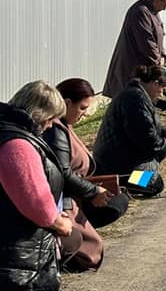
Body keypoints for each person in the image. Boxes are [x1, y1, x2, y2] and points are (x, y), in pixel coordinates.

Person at [0, 81, 72, 291]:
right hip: (16, 250)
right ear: (38, 114)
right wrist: (59, 223)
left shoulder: (6, 130)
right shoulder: (18, 145)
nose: (51, 125)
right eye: (51, 118)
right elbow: (35, 201)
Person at [43, 78, 126, 272]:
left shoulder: (64, 125)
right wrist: (92, 192)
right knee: (90, 252)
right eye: (82, 108)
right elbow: (63, 173)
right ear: (66, 102)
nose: (85, 114)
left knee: (119, 199)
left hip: (78, 190)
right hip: (67, 198)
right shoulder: (55, 130)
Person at [92, 66, 166, 197]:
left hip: (116, 158)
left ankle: (123, 180)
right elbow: (147, 140)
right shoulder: (136, 100)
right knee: (155, 183)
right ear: (155, 83)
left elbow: (152, 126)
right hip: (117, 164)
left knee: (153, 177)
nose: (162, 93)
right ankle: (122, 183)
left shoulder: (136, 94)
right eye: (162, 89)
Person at [103, 0, 166, 98]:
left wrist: (162, 55)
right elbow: (146, 42)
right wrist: (158, 61)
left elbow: (159, 37)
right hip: (133, 66)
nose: (164, 8)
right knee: (131, 99)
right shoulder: (141, 11)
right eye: (165, 4)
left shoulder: (152, 12)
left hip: (146, 65)